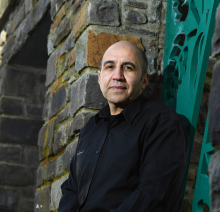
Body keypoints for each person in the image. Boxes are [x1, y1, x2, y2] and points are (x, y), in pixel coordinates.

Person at [58, 41, 189, 212]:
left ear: (144, 80)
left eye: (128, 68)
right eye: (110, 67)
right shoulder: (91, 128)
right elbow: (71, 189)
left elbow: (154, 196)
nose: (117, 75)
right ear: (99, 78)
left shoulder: (162, 123)